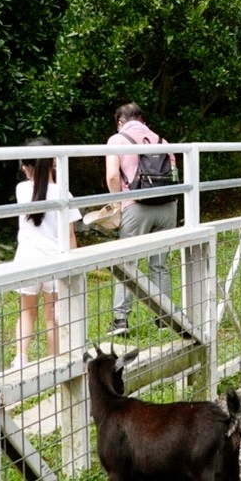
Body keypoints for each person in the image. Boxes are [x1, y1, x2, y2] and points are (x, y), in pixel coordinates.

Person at [105, 102, 176, 336]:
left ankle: (121, 321)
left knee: (127, 264)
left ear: (120, 122)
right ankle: (164, 318)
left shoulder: (117, 140)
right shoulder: (161, 140)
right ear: (142, 119)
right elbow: (173, 174)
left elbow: (113, 175)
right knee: (160, 264)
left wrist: (116, 203)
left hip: (136, 206)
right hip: (166, 206)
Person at [13, 138, 76, 365]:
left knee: (26, 312)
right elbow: (69, 235)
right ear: (53, 162)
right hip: (54, 260)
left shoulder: (21, 190)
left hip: (27, 258)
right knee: (52, 316)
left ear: (27, 167)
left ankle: (20, 359)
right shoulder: (64, 194)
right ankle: (54, 361)